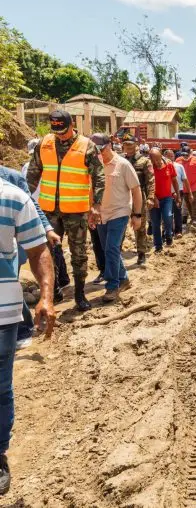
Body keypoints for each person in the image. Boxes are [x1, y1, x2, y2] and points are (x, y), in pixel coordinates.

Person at [0, 177, 56, 495]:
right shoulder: (14, 195)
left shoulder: (13, 197)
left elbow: (37, 251)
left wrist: (46, 297)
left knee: (0, 387)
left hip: (3, 313)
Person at [25, 110, 105, 311]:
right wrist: (24, 199)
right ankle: (53, 292)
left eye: (63, 130)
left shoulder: (87, 145)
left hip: (76, 211)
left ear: (71, 125)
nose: (59, 134)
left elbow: (99, 177)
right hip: (49, 210)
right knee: (46, 253)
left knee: (78, 254)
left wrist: (96, 205)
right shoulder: (44, 144)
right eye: (56, 130)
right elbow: (33, 175)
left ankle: (79, 294)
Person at [0, 165, 57, 349]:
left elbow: (32, 206)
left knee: (10, 282)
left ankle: (23, 328)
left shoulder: (12, 178)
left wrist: (47, 229)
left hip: (14, 244)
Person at [92, 134, 143, 302]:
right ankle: (123, 278)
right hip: (101, 214)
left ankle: (112, 286)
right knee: (109, 249)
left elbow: (136, 190)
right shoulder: (94, 165)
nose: (99, 153)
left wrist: (137, 214)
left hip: (119, 212)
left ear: (110, 145)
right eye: (95, 150)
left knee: (111, 249)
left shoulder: (123, 165)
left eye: (101, 149)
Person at [122, 135, 155, 266]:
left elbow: (150, 181)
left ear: (136, 145)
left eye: (130, 145)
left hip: (138, 196)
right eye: (126, 145)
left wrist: (151, 197)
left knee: (140, 226)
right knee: (120, 224)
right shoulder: (121, 160)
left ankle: (141, 252)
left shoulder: (144, 161)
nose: (128, 148)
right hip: (123, 196)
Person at [149, 148, 180, 252]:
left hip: (167, 197)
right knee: (155, 223)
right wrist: (153, 198)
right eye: (153, 160)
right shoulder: (149, 168)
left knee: (168, 217)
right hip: (153, 199)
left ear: (161, 156)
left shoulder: (169, 165)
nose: (156, 163)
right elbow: (146, 185)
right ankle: (158, 246)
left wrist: (178, 195)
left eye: (157, 160)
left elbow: (175, 181)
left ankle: (168, 235)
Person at [176, 145, 196, 226]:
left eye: (186, 154)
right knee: (188, 203)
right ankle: (193, 218)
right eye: (183, 154)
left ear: (190, 153)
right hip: (184, 187)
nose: (185, 156)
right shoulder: (178, 160)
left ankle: (195, 219)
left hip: (195, 185)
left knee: (195, 203)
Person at [165, 149, 191, 238]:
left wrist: (190, 193)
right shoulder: (161, 166)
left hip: (178, 191)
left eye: (172, 156)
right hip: (166, 192)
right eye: (169, 156)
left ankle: (178, 231)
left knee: (177, 212)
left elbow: (185, 180)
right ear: (165, 157)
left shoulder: (179, 166)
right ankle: (168, 232)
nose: (171, 158)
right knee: (167, 213)